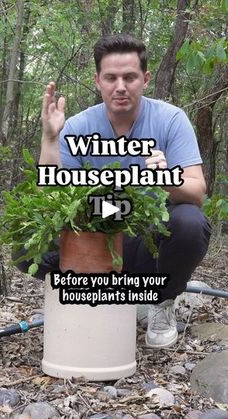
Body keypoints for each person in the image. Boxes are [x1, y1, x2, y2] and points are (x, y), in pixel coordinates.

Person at [17, 34, 211, 349]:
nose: (120, 85)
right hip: (95, 240)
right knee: (27, 242)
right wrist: (50, 140)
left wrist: (166, 177)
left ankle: (160, 302)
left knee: (189, 222)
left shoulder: (171, 120)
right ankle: (101, 298)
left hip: (148, 241)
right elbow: (48, 200)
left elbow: (197, 191)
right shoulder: (79, 126)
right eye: (111, 77)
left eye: (129, 77)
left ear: (145, 79)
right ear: (98, 81)